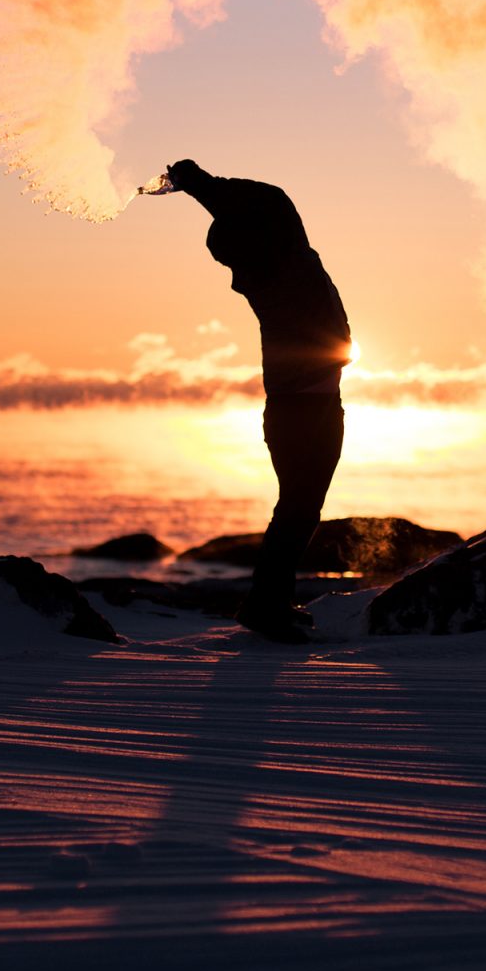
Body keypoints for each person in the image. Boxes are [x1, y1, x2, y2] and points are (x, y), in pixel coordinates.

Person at [164, 160, 351, 644]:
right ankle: (265, 607)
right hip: (303, 413)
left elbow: (264, 204)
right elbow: (270, 203)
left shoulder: (273, 262)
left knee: (299, 510)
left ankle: (269, 602)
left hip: (313, 407)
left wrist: (197, 185)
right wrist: (201, 184)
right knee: (297, 510)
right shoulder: (280, 268)